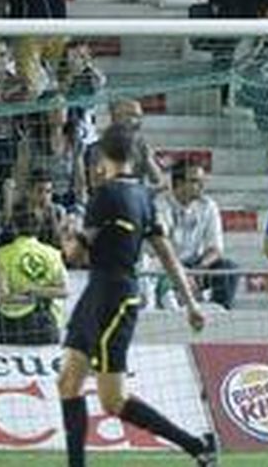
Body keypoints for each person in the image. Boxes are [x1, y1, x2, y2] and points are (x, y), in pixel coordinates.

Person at [57, 124, 216, 467]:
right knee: (68, 381)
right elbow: (165, 251)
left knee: (112, 401)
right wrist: (189, 303)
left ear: (102, 157)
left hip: (110, 299)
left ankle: (197, 445)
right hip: (104, 295)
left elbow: (75, 254)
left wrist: (68, 236)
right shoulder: (144, 197)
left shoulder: (104, 195)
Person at [155, 160, 238, 310]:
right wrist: (182, 273)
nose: (202, 186)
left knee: (228, 267)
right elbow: (162, 249)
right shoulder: (161, 205)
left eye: (202, 181)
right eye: (195, 181)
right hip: (165, 264)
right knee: (159, 272)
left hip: (196, 264)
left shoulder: (208, 206)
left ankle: (221, 313)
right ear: (178, 184)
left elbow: (216, 249)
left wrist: (198, 269)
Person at [0, 205, 69, 345]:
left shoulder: (1, 254)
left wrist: (26, 297)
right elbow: (64, 291)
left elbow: (3, 297)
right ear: (40, 227)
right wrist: (37, 294)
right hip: (45, 326)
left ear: (14, 226)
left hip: (12, 327)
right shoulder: (53, 254)